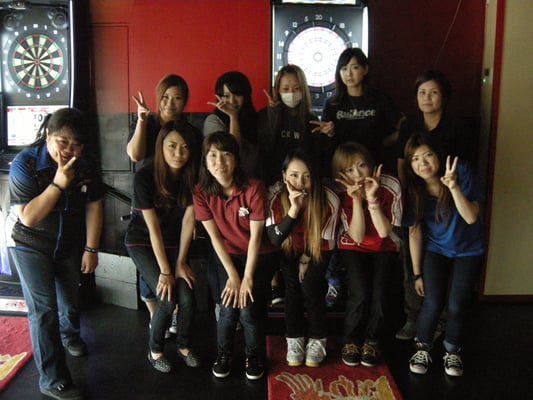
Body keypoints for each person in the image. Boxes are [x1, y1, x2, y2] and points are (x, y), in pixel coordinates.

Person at [7, 108, 104, 400]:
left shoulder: (86, 164)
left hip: (68, 244)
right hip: (29, 244)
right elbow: (28, 217)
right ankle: (52, 380)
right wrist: (59, 182)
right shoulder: (25, 164)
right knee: (44, 310)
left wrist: (91, 248)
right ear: (48, 135)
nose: (69, 150)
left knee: (70, 301)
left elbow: (94, 205)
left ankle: (69, 335)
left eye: (76, 145)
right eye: (63, 142)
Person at [395, 70, 476, 341]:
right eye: (422, 92)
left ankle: (441, 322)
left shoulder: (457, 128)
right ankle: (415, 317)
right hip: (419, 199)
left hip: (452, 200)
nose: (427, 98)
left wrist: (452, 188)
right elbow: (402, 164)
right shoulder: (410, 125)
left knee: (449, 277)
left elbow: (466, 169)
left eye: (433, 92)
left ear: (445, 96)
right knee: (414, 260)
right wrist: (408, 194)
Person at [193, 132, 276, 380]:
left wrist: (246, 277)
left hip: (257, 254)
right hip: (227, 255)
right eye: (212, 155)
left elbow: (256, 238)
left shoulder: (254, 187)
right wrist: (232, 275)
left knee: (248, 308)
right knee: (228, 307)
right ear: (205, 161)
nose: (219, 162)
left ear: (236, 159)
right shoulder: (200, 192)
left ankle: (254, 355)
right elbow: (215, 238)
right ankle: (224, 354)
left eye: (226, 154)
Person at [403, 133, 484, 377]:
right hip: (436, 249)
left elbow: (471, 216)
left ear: (438, 155)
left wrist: (453, 187)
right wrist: (417, 273)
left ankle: (452, 350)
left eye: (428, 155)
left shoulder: (461, 172)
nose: (422, 163)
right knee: (433, 301)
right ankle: (423, 347)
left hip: (469, 250)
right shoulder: (414, 190)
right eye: (415, 159)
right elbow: (414, 233)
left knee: (457, 305)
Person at [125, 120, 200, 373]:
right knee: (166, 298)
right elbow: (152, 228)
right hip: (142, 240)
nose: (179, 153)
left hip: (174, 242)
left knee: (187, 296)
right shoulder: (145, 176)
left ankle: (184, 346)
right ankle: (155, 351)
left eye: (185, 147)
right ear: (161, 146)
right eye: (172, 146)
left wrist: (181, 263)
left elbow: (189, 221)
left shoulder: (193, 176)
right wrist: (167, 271)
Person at [127, 74, 199, 330]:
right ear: (158, 97)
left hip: (177, 206)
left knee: (172, 261)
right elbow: (134, 155)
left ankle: (170, 315)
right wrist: (142, 122)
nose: (171, 103)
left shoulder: (190, 133)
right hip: (148, 200)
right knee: (151, 268)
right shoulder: (147, 122)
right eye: (166, 97)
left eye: (177, 98)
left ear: (185, 102)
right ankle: (156, 316)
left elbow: (196, 171)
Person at [266, 148, 340, 368]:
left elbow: (325, 238)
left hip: (318, 247)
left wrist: (306, 260)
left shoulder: (329, 198)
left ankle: (318, 339)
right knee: (292, 289)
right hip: (288, 247)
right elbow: (275, 239)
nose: (300, 183)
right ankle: (294, 340)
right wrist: (294, 209)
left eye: (307, 176)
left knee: (311, 287)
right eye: (294, 175)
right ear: (284, 176)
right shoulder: (274, 197)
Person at [331, 142, 402, 367]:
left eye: (362, 165)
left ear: (371, 164)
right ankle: (351, 340)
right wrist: (355, 199)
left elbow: (383, 232)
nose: (358, 174)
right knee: (360, 291)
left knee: (380, 293)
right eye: (350, 170)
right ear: (341, 174)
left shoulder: (390, 185)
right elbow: (358, 237)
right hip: (353, 244)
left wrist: (371, 198)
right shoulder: (341, 192)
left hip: (384, 244)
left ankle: (372, 340)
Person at [312, 47, 403, 174]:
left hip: (373, 164)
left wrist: (384, 142)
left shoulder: (380, 99)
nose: (348, 74)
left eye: (354, 67)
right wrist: (330, 133)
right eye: (344, 69)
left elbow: (404, 126)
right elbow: (325, 144)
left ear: (365, 69)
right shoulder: (332, 103)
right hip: (343, 167)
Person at [203, 71, 259, 178]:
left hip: (252, 180)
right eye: (226, 96)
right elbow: (232, 151)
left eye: (237, 95)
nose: (232, 101)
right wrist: (233, 117)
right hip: (225, 179)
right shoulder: (213, 121)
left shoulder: (254, 118)